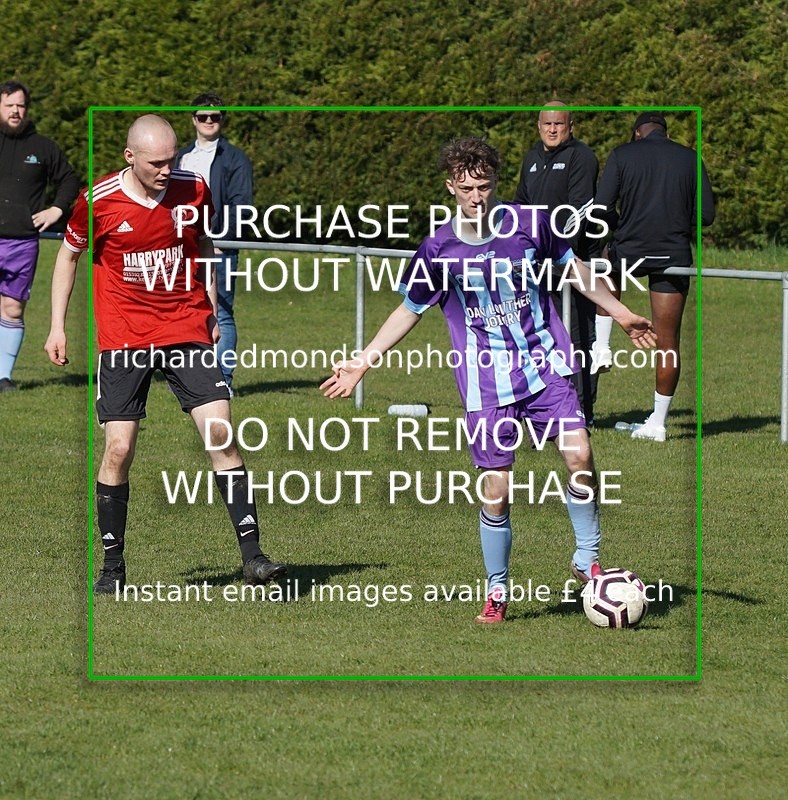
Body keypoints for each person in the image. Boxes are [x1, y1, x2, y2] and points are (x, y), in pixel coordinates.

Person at [321, 137, 656, 623]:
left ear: (495, 183)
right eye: (467, 188)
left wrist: (621, 312)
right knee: (496, 490)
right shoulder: (438, 247)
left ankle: (588, 557)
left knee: (579, 453)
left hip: (544, 363)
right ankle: (497, 590)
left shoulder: (529, 223)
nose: (477, 197)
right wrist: (363, 362)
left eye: (485, 186)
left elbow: (574, 269)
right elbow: (409, 310)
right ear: (450, 188)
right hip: (485, 382)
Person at [44, 114, 286, 594]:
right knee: (119, 449)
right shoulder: (97, 203)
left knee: (222, 437)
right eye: (156, 161)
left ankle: (254, 558)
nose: (165, 168)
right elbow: (67, 256)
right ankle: (113, 568)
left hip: (184, 326)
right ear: (129, 157)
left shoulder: (192, 188)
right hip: (125, 335)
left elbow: (203, 244)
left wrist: (212, 304)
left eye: (171, 158)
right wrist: (56, 326)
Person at [593, 112, 715, 441]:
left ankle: (602, 346)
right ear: (665, 133)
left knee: (606, 261)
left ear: (637, 134)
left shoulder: (622, 154)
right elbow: (706, 215)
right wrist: (674, 218)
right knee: (668, 341)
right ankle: (658, 424)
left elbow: (602, 207)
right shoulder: (690, 158)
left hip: (628, 251)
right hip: (672, 255)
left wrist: (625, 224)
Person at [514, 100, 602, 423]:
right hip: (534, 266)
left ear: (570, 127)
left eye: (559, 125)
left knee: (576, 338)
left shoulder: (581, 157)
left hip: (570, 264)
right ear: (539, 127)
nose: (552, 130)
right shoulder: (532, 159)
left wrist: (562, 254)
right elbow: (521, 206)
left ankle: (582, 411)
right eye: (547, 125)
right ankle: (538, 406)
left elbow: (578, 211)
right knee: (536, 334)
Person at [0, 80, 79, 392]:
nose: (16, 111)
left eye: (21, 105)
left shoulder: (43, 147)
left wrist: (57, 210)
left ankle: (2, 377)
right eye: (10, 105)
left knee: (12, 308)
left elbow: (69, 180)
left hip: (22, 242)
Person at [177, 93, 253, 395]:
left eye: (216, 116)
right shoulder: (181, 157)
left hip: (219, 248)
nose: (210, 122)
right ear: (194, 119)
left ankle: (224, 381)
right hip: (182, 248)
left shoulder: (234, 159)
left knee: (220, 311)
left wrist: (222, 241)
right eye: (203, 116)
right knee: (183, 309)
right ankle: (189, 379)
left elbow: (241, 204)